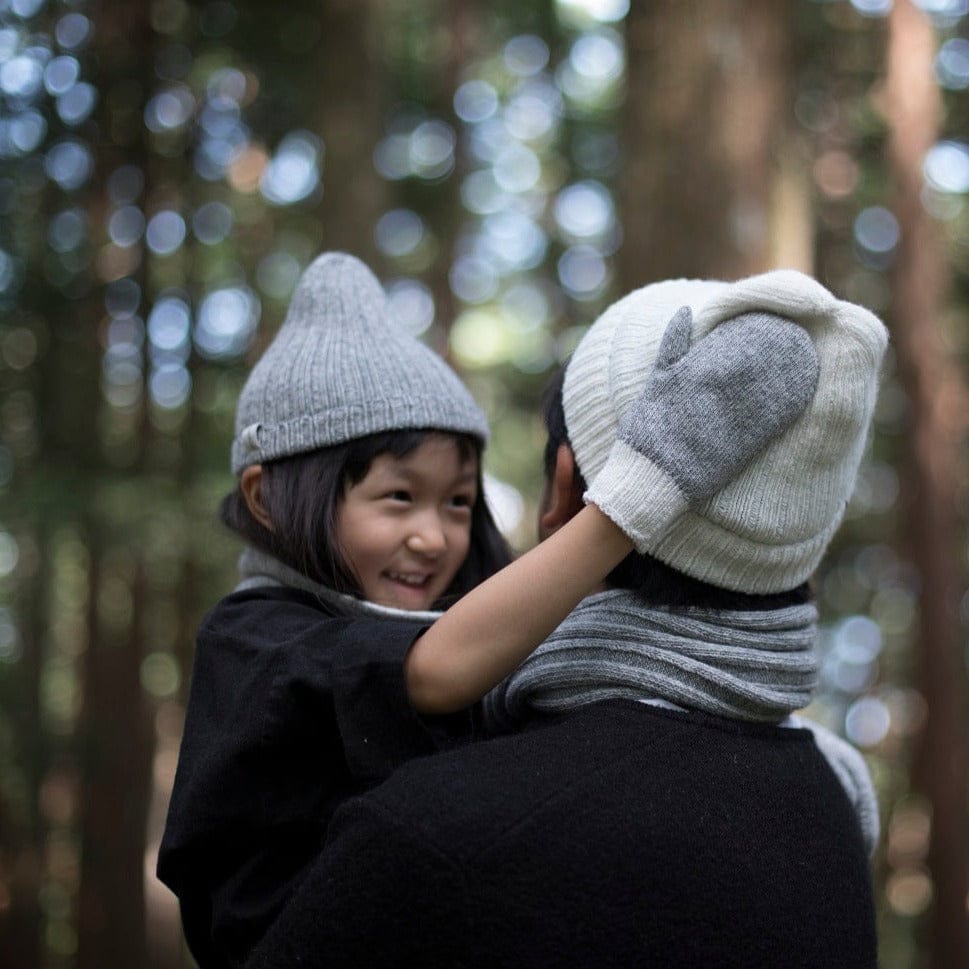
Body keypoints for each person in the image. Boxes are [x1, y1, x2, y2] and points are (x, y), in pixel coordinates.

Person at [244, 269, 886, 969]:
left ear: (560, 485)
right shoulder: (834, 814)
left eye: (455, 502)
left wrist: (635, 490)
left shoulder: (432, 838)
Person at [158, 251, 651, 969]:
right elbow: (438, 670)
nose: (433, 535)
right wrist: (631, 507)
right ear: (267, 498)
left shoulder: (431, 613)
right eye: (398, 496)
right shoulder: (257, 634)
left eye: (456, 501)